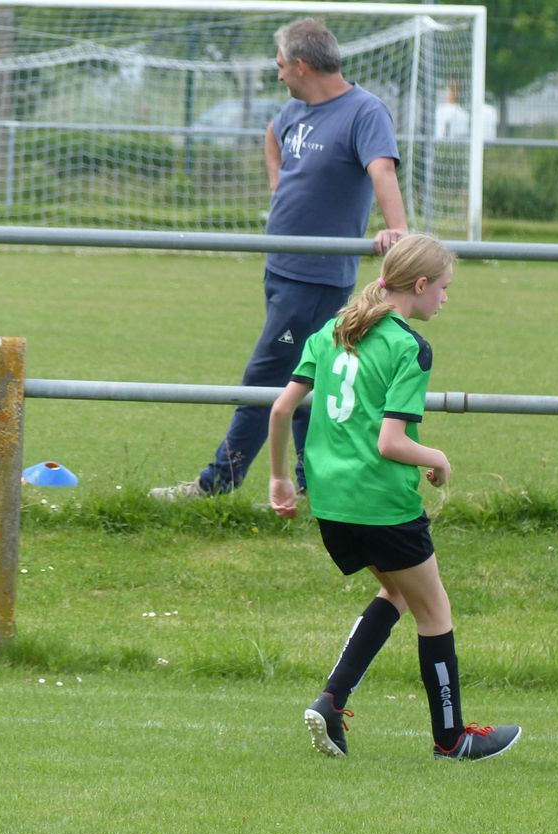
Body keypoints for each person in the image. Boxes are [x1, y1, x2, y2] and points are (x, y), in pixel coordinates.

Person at [268, 234, 521, 762]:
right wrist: (438, 459)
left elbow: (280, 409)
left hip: (332, 502)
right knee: (435, 611)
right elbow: (391, 443)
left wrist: (278, 479)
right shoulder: (409, 347)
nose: (446, 298)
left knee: (397, 593)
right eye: (444, 287)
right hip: (382, 503)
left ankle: (331, 701)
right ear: (420, 285)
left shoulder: (335, 328)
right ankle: (452, 739)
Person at [151, 17, 408, 501]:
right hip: (281, 270)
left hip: (317, 277)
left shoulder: (364, 112)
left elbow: (382, 171)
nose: (278, 74)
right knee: (307, 375)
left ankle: (215, 483)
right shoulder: (294, 111)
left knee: (266, 377)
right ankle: (318, 485)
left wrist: (399, 232)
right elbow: (273, 135)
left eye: (280, 65)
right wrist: (278, 183)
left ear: (302, 65)